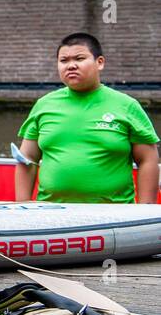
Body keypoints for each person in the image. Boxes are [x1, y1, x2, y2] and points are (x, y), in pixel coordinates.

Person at [14, 33, 158, 203]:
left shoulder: (127, 106)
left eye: (79, 58)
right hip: (51, 214)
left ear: (100, 62)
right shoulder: (44, 105)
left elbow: (148, 160)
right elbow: (27, 159)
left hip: (115, 216)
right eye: (64, 60)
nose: (71, 65)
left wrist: (144, 211)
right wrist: (21, 207)